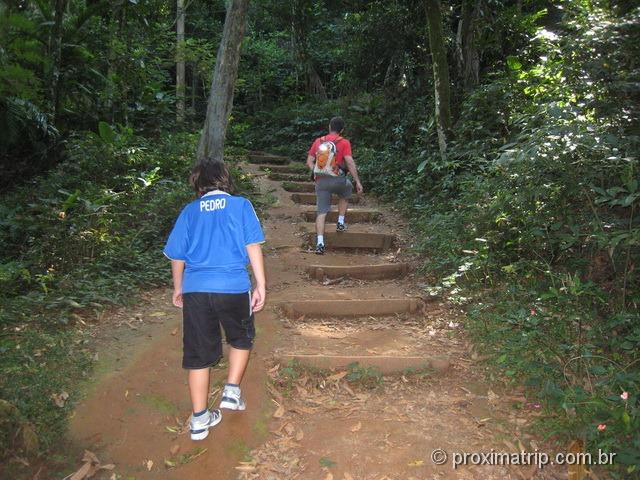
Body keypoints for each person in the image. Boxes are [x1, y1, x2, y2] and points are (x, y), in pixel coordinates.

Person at [163, 160, 266, 441]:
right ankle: (231, 392)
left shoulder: (189, 211)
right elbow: (252, 246)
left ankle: (199, 420)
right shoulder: (241, 205)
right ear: (225, 180)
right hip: (233, 286)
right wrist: (261, 284)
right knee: (241, 337)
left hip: (196, 289)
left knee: (197, 354)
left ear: (198, 184)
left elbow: (177, 255)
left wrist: (178, 288)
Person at [306, 116, 363, 255]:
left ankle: (320, 243)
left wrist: (316, 171)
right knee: (347, 187)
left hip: (321, 181)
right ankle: (340, 222)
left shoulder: (319, 141)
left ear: (329, 127)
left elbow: (309, 161)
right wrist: (358, 181)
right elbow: (349, 162)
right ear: (342, 130)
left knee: (321, 212)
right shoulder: (344, 143)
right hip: (338, 180)